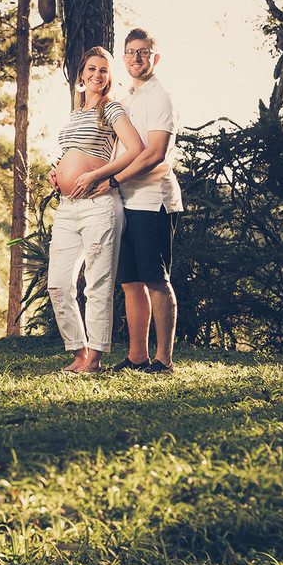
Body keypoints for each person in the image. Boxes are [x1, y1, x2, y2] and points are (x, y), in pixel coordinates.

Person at [46, 46, 143, 372]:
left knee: (98, 283)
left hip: (99, 206)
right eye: (91, 68)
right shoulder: (75, 115)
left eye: (103, 70)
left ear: (109, 77)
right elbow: (73, 154)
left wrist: (99, 175)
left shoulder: (111, 109)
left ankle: (96, 357)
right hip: (68, 205)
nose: (97, 75)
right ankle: (78, 352)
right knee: (58, 284)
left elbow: (136, 149)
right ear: (81, 75)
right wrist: (57, 172)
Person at [108, 28, 183, 375]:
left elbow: (154, 154)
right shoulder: (125, 101)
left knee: (155, 279)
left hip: (153, 202)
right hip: (123, 203)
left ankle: (164, 361)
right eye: (131, 52)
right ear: (123, 59)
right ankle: (137, 357)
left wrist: (112, 180)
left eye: (144, 52)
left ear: (155, 57)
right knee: (130, 282)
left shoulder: (160, 97)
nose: (137, 58)